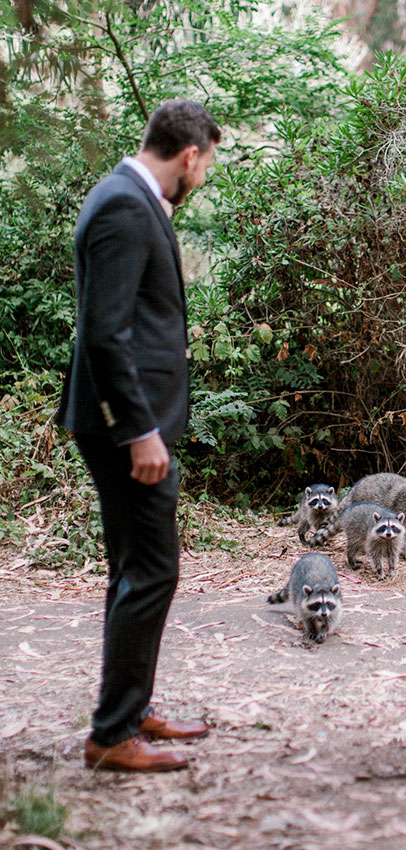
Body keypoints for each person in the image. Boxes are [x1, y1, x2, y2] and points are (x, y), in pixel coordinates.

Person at [56, 100, 221, 772]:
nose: (204, 177)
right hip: (126, 428)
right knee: (152, 569)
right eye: (206, 165)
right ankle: (113, 734)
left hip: (127, 423)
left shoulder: (131, 198)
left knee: (134, 568)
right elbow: (104, 332)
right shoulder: (125, 205)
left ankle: (132, 707)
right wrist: (139, 432)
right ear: (189, 155)